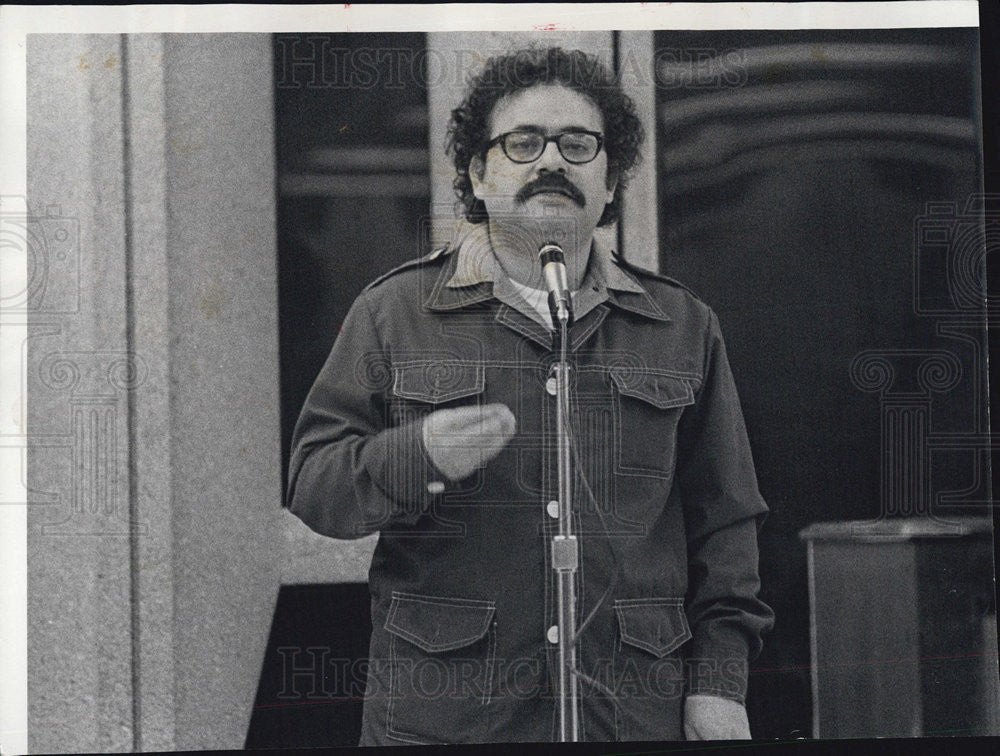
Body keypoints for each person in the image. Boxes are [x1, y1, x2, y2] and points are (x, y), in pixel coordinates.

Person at [287, 46, 773, 745]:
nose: (552, 161)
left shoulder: (683, 325)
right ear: (479, 176)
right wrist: (415, 455)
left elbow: (726, 527)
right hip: (447, 721)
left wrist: (718, 686)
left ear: (611, 182)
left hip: (632, 718)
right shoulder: (393, 312)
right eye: (523, 142)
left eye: (578, 144)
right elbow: (314, 486)